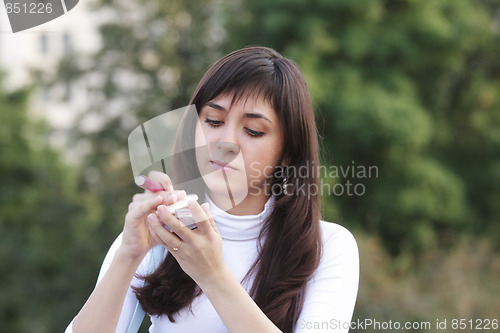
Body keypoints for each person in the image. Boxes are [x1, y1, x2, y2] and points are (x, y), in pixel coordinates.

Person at [66, 46, 359, 333]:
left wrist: (213, 275)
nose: (226, 142)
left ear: (288, 152)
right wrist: (128, 255)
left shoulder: (327, 247)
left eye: (253, 130)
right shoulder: (157, 236)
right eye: (214, 121)